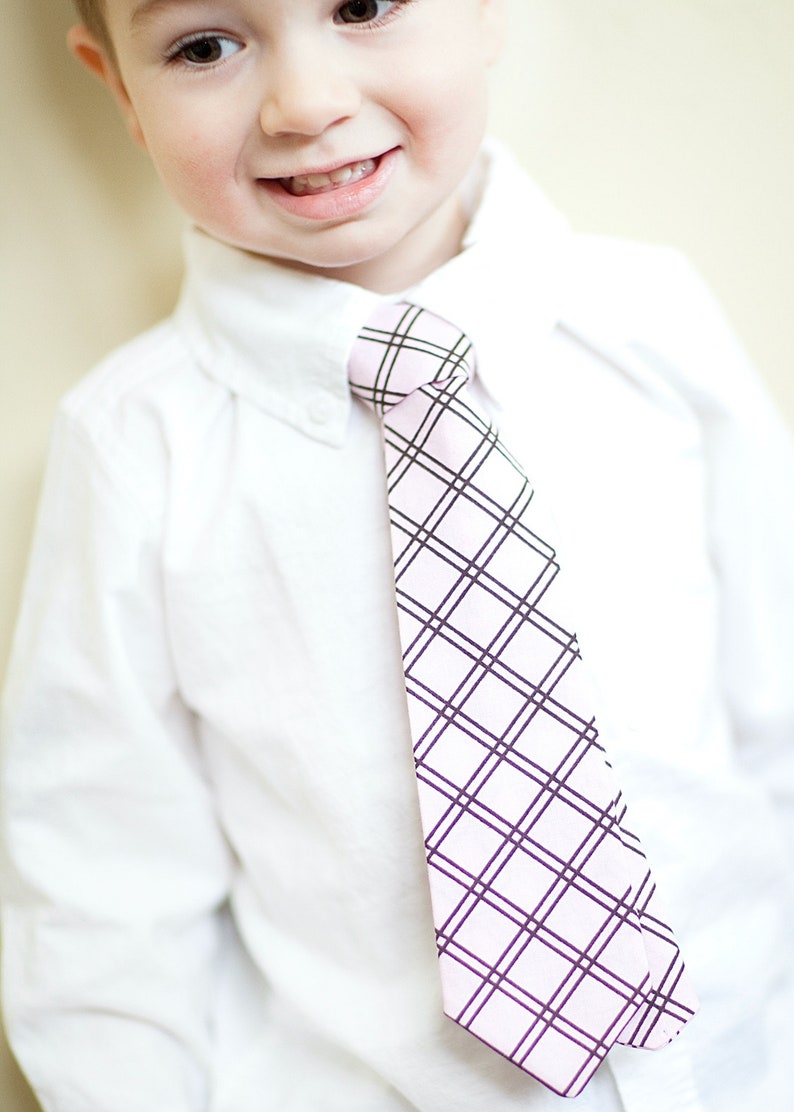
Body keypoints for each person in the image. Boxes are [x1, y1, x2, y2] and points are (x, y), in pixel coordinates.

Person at [1, 0, 792, 1109]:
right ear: (119, 87)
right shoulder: (132, 448)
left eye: (362, 5)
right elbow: (99, 895)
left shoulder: (652, 325)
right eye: (203, 46)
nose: (305, 103)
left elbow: (777, 709)